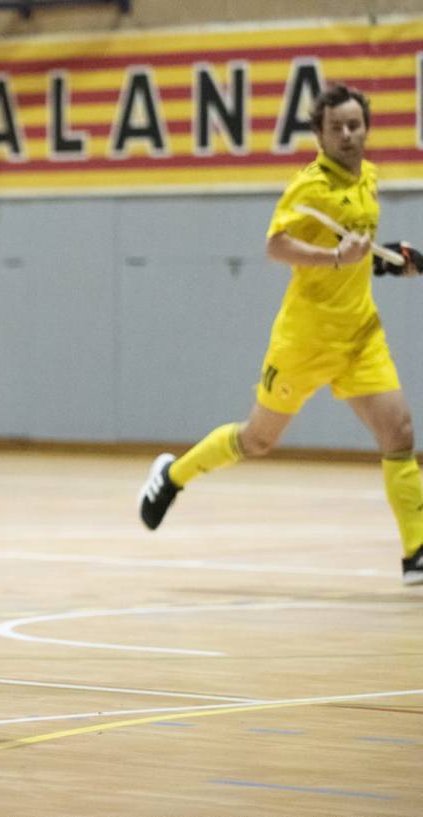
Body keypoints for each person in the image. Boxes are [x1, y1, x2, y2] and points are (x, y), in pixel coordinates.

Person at [139, 83, 423, 586]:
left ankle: (416, 552)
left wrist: (386, 259)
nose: (348, 134)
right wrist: (337, 259)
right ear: (319, 133)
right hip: (305, 342)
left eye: (355, 125)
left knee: (399, 433)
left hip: (360, 336)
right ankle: (172, 475)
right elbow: (278, 246)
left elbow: (355, 239)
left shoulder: (369, 178)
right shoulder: (310, 186)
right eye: (336, 127)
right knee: (258, 440)